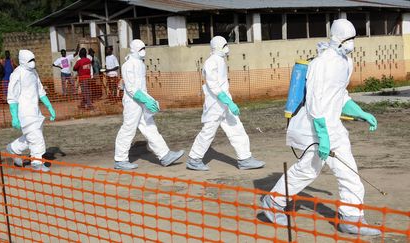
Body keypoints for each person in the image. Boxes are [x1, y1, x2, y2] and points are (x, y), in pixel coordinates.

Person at [260, 19, 381, 236]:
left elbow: (340, 96)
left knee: (349, 170)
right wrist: (323, 136)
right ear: (339, 38)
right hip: (313, 127)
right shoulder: (321, 63)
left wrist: (361, 113)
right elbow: (316, 102)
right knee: (308, 169)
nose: (353, 43)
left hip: (333, 127)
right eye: (350, 38)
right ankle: (273, 202)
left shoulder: (346, 62)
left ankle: (351, 218)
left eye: (354, 38)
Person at [186, 36, 265, 171]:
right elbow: (213, 85)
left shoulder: (220, 60)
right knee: (208, 132)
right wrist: (228, 101)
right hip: (215, 105)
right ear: (217, 47)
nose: (227, 48)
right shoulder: (211, 62)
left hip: (225, 104)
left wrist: (229, 102)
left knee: (237, 129)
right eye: (224, 45)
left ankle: (245, 159)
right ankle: (194, 159)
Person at [114, 39, 184, 170]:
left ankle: (165, 155)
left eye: (144, 48)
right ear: (134, 50)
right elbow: (130, 88)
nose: (143, 51)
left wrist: (148, 100)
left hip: (141, 100)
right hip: (132, 102)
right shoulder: (128, 65)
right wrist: (145, 99)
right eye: (141, 49)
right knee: (128, 128)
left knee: (150, 127)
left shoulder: (140, 64)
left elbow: (142, 87)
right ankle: (120, 159)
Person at [6, 50, 56, 172]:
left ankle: (14, 148)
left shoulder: (34, 72)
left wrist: (49, 106)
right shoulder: (17, 74)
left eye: (33, 59)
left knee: (31, 136)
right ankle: (37, 163)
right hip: (25, 113)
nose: (32, 62)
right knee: (37, 139)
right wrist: (14, 116)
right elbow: (12, 97)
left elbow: (40, 90)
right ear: (23, 61)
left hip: (35, 112)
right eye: (30, 60)